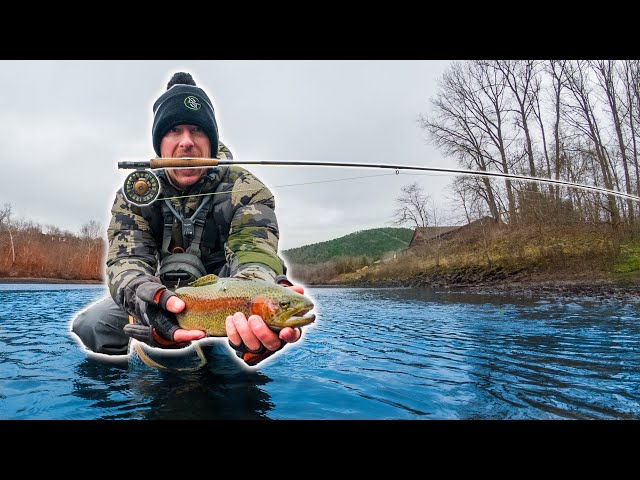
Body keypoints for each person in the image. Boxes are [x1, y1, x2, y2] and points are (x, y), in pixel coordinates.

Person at [71, 71, 303, 367]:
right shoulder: (137, 193)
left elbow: (255, 255)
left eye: (197, 130)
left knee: (253, 338)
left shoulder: (247, 190)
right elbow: (126, 263)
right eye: (174, 130)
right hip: (157, 295)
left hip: (226, 300)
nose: (186, 142)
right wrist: (148, 300)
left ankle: (228, 357)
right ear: (159, 143)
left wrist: (264, 291)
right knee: (92, 325)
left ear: (211, 139)